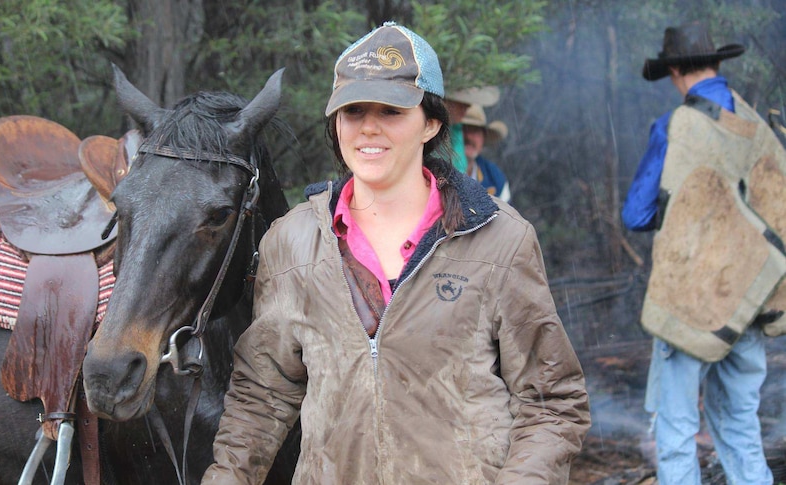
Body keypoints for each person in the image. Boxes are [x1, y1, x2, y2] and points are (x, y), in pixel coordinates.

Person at [203, 21, 590, 484]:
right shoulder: (292, 243)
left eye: (390, 110)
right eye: (353, 110)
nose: (368, 126)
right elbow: (261, 396)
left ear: (430, 123)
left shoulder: (498, 240)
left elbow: (551, 401)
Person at [621, 22, 774, 485]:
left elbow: (636, 213)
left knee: (677, 427)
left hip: (690, 300)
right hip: (750, 297)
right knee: (741, 426)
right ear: (716, 64)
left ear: (674, 72)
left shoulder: (676, 126)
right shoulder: (761, 127)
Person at [461, 103, 511, 202]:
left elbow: (507, 215)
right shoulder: (434, 171)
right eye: (463, 129)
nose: (468, 137)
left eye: (475, 131)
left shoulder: (495, 178)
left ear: (483, 138)